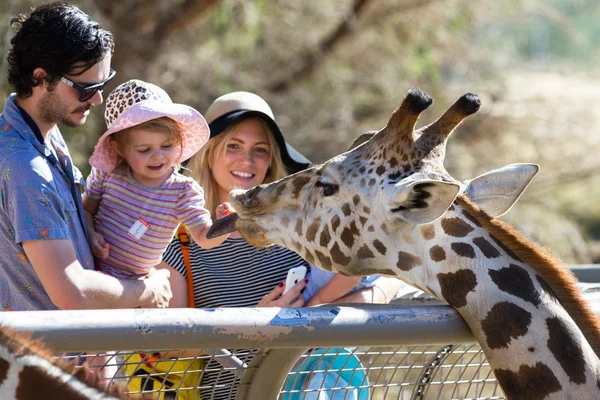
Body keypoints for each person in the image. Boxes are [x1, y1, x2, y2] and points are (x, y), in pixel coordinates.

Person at [156, 91, 403, 399]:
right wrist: (253, 322)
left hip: (307, 390)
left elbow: (381, 281)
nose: (247, 161)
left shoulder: (297, 225)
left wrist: (309, 316)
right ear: (209, 152)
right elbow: (167, 348)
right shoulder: (177, 241)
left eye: (260, 150)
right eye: (233, 146)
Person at [0, 3, 172, 311]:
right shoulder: (25, 167)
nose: (97, 98)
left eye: (102, 84)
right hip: (47, 357)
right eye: (85, 88)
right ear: (41, 77)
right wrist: (147, 290)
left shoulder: (43, 134)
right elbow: (72, 291)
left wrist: (88, 229)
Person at [83, 80, 229, 280]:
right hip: (90, 270)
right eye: (144, 150)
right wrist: (90, 233)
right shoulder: (108, 172)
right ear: (118, 148)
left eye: (167, 145)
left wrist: (226, 223)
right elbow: (86, 209)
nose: (158, 156)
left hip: (136, 284)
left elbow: (204, 237)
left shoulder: (182, 191)